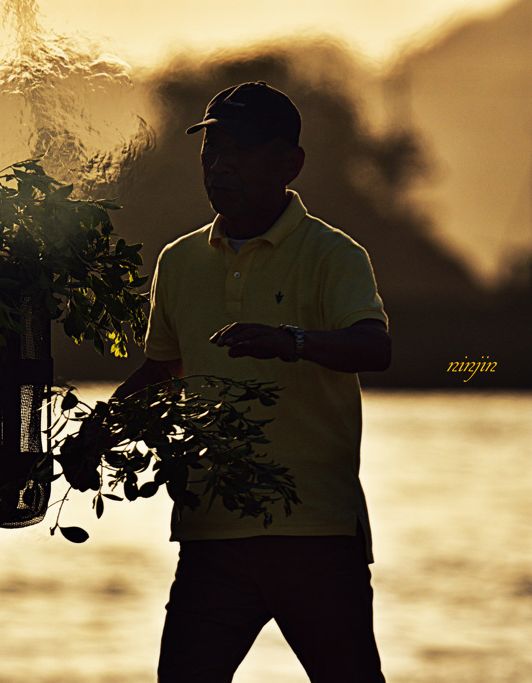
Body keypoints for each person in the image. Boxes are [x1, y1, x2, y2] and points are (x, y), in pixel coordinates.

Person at [115, 82, 391, 682]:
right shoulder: (178, 261)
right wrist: (98, 435)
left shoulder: (333, 256)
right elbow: (163, 368)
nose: (219, 166)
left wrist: (290, 342)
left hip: (316, 533)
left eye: (239, 151)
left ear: (289, 163)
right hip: (212, 532)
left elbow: (375, 346)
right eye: (211, 151)